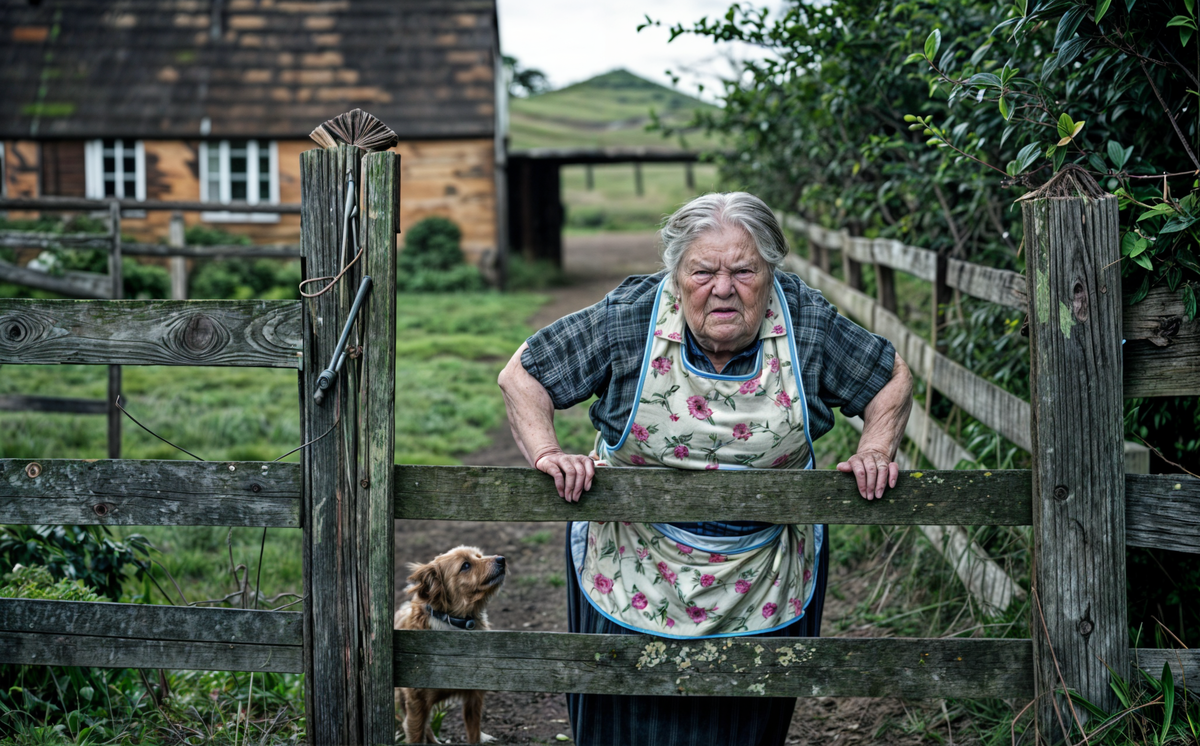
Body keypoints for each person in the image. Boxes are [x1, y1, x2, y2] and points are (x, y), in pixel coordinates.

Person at [497, 192, 913, 746]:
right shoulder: (629, 320)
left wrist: (876, 450)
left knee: (741, 727)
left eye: (744, 271)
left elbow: (891, 379)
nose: (723, 288)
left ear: (771, 273)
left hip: (766, 571)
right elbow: (523, 375)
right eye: (703, 271)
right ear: (675, 273)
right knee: (624, 723)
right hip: (631, 564)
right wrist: (549, 454)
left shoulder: (808, 323)